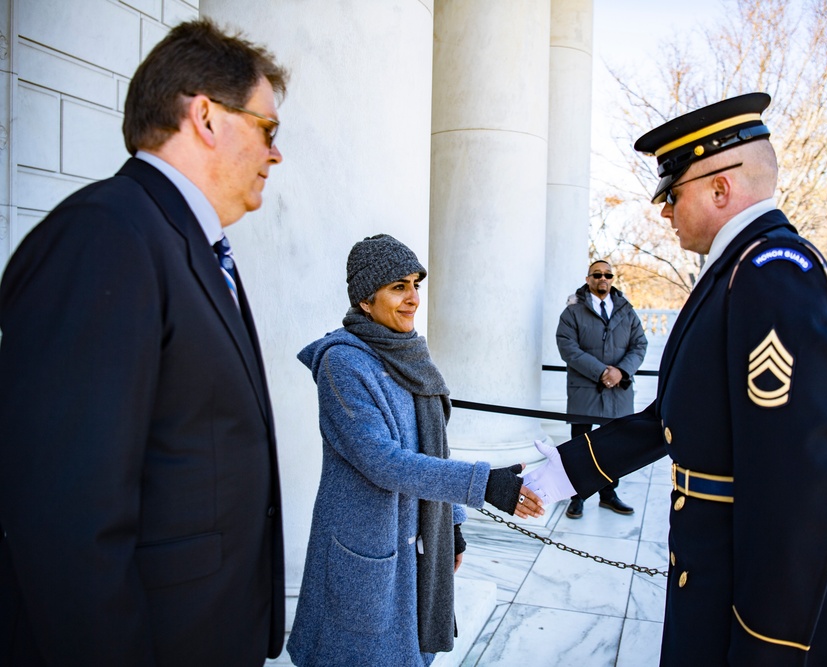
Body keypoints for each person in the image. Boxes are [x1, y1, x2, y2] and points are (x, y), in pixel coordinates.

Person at [526, 93, 827, 666]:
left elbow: (794, 477)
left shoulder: (773, 273)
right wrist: (561, 473)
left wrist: (766, 645)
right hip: (712, 573)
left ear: (720, 188)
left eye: (672, 194)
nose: (663, 212)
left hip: (751, 603)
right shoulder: (736, 272)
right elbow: (675, 420)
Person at [0, 20, 289, 667]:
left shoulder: (187, 241)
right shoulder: (104, 236)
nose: (276, 155)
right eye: (268, 131)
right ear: (206, 116)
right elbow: (67, 528)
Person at [287, 234, 544, 667]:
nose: (412, 299)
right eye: (397, 287)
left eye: (415, 285)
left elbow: (433, 448)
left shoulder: (409, 355)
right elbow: (383, 462)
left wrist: (452, 525)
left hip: (418, 538)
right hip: (365, 542)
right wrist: (482, 484)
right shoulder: (342, 363)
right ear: (365, 300)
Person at [556, 259, 648, 518]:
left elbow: (640, 344)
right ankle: (578, 496)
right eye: (597, 274)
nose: (603, 279)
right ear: (588, 279)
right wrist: (602, 372)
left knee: (614, 448)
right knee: (579, 447)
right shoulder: (572, 312)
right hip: (584, 391)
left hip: (618, 393)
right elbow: (567, 347)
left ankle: (608, 495)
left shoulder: (626, 310)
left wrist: (620, 371)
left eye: (608, 274)